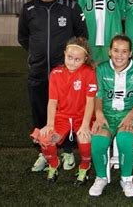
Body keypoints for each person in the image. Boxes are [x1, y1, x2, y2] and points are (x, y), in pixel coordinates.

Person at [18, 0, 88, 173]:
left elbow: (82, 37)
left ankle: (67, 150)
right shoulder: (29, 9)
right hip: (38, 73)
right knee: (40, 114)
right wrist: (37, 55)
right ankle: (44, 150)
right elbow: (23, 38)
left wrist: (71, 64)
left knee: (65, 114)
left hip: (64, 75)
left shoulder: (71, 6)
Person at [88, 35, 133, 198]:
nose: (119, 55)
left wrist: (131, 116)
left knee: (125, 140)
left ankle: (126, 179)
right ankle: (101, 177)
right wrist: (98, 114)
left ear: (130, 54)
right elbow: (98, 96)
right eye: (116, 51)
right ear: (109, 52)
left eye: (124, 51)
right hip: (106, 114)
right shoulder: (101, 69)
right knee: (98, 141)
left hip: (129, 114)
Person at [37, 37, 97, 185]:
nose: (72, 62)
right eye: (69, 57)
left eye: (77, 59)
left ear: (85, 59)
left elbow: (91, 102)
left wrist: (84, 125)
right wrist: (50, 124)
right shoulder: (56, 73)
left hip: (83, 117)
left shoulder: (89, 73)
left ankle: (84, 165)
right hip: (62, 118)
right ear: (64, 53)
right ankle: (53, 164)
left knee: (84, 138)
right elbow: (52, 102)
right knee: (46, 138)